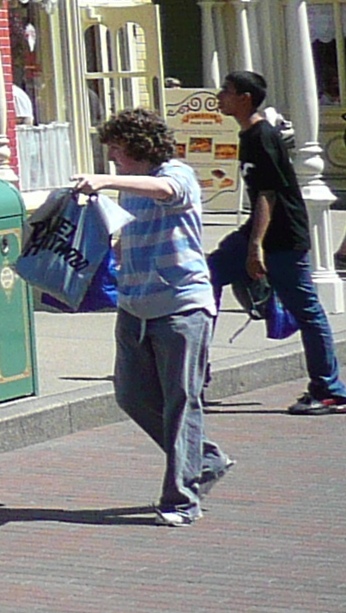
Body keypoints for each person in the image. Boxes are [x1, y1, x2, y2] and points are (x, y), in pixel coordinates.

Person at [76, 106, 231, 523]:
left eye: (116, 150)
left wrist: (106, 181)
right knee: (131, 395)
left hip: (181, 305)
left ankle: (182, 500)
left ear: (138, 147)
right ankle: (205, 458)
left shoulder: (176, 173)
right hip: (134, 305)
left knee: (182, 401)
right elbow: (127, 234)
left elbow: (168, 192)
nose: (111, 159)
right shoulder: (132, 189)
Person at [224, 70, 346, 415]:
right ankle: (187, 376)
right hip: (259, 231)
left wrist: (255, 246)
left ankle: (330, 390)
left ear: (245, 98)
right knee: (208, 275)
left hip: (282, 237)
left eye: (226, 91)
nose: (220, 96)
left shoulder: (263, 136)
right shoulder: (248, 134)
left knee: (307, 310)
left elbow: (269, 193)